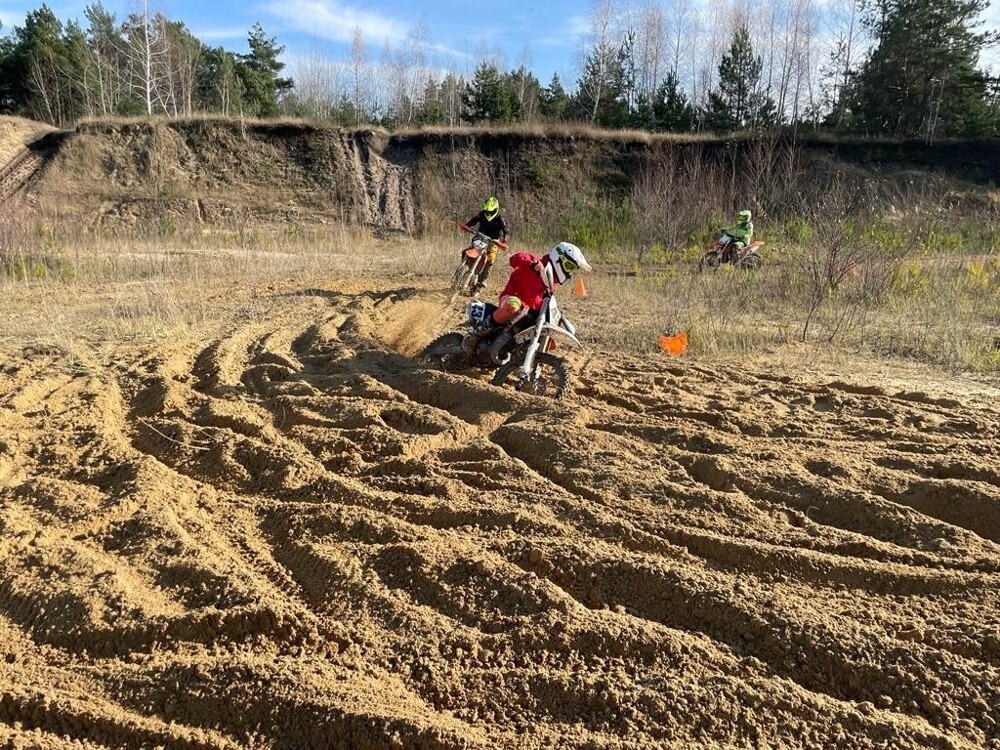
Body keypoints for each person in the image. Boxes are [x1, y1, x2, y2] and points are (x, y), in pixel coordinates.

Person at [462, 241, 592, 361]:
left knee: (547, 332)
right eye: (568, 266)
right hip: (512, 297)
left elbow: (541, 301)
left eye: (572, 269)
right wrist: (532, 262)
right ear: (558, 258)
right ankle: (476, 334)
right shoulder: (536, 264)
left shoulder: (552, 282)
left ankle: (521, 358)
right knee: (514, 305)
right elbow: (514, 259)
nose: (569, 273)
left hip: (528, 311)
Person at [459, 196, 512, 293]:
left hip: (493, 241)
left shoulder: (500, 219)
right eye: (487, 211)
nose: (488, 213)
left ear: (496, 209)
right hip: (479, 236)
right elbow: (473, 221)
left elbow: (507, 232)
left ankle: (483, 280)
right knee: (468, 251)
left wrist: (504, 241)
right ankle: (462, 268)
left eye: (491, 211)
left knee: (491, 258)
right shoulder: (482, 214)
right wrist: (467, 226)